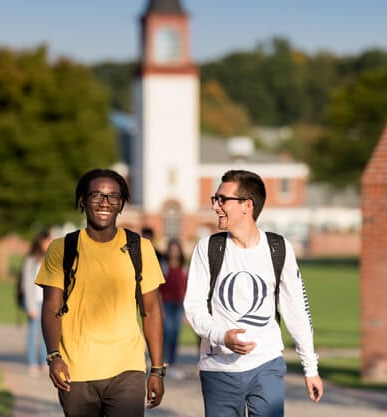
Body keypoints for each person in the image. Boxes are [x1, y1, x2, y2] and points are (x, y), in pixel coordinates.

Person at [183, 169, 324, 417]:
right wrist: (221, 336)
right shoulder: (208, 249)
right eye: (215, 199)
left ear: (247, 205)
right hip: (218, 369)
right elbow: (193, 307)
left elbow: (296, 310)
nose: (216, 206)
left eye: (222, 199)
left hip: (266, 365)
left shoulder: (278, 248)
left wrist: (310, 368)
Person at [35, 168, 166, 417]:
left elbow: (151, 310)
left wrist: (157, 370)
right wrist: (54, 357)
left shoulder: (141, 248)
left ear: (121, 204)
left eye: (113, 197)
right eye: (96, 196)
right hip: (76, 371)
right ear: (83, 201)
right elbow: (51, 307)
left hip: (127, 369)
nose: (104, 203)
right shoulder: (62, 248)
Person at [21, 228, 52, 376]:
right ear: (41, 242)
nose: (49, 243)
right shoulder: (31, 260)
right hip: (35, 302)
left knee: (47, 333)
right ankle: (32, 362)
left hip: (48, 302)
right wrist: (30, 306)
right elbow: (26, 284)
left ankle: (44, 362)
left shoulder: (52, 257)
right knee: (33, 334)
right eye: (47, 240)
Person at [159, 238, 188, 373]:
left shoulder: (184, 268)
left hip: (179, 306)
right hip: (166, 305)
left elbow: (186, 289)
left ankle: (173, 362)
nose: (174, 252)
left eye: (177, 250)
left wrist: (186, 312)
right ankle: (164, 362)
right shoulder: (164, 267)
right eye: (172, 250)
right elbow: (158, 289)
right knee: (167, 334)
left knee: (175, 334)